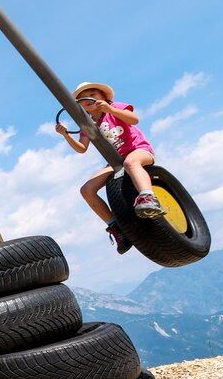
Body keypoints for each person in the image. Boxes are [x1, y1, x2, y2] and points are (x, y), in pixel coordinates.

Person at [55, 81, 164, 254]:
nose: (88, 99)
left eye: (93, 94)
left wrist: (111, 110)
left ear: (103, 97)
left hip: (138, 151)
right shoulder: (88, 125)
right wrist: (66, 135)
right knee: (86, 190)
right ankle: (116, 227)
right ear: (80, 106)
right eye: (82, 99)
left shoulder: (115, 108)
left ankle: (148, 198)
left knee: (130, 163)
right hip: (115, 163)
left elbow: (134, 119)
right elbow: (82, 148)